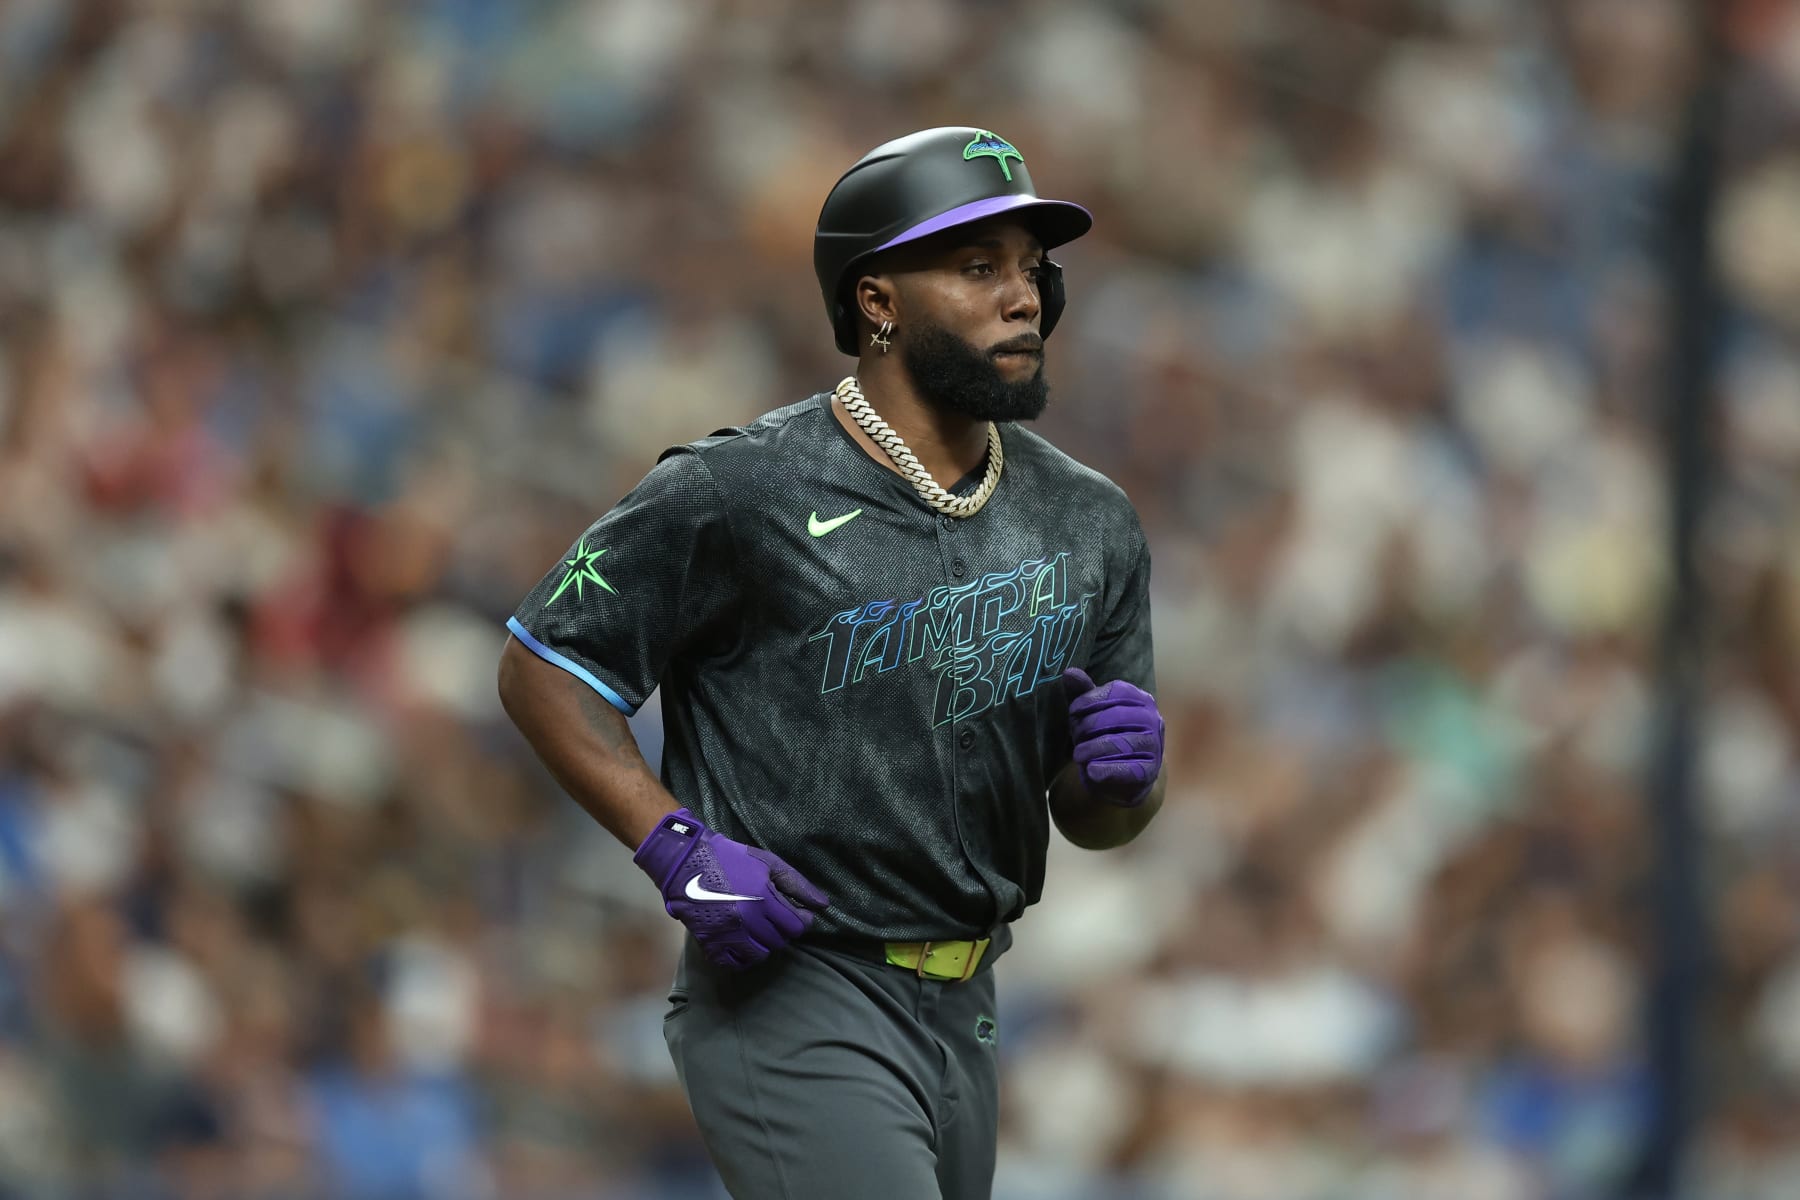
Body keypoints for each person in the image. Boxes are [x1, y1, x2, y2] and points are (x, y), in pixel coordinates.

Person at [497, 126, 1165, 1199]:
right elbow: (545, 661)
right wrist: (674, 845)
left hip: (968, 1000)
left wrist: (1122, 782)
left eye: (1032, 269)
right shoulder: (740, 489)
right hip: (796, 990)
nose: (1024, 295)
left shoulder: (1088, 519)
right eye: (977, 266)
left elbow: (1096, 816)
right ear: (878, 302)